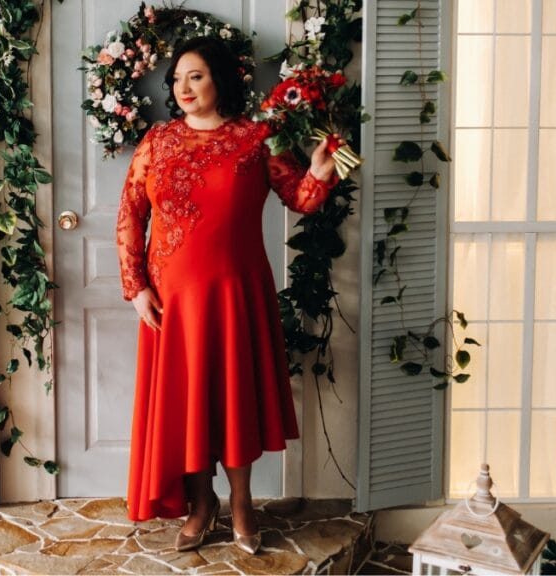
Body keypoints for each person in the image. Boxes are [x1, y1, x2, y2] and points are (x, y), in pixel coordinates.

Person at [115, 35, 341, 554]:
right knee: (186, 405)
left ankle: (242, 503)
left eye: (195, 76)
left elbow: (300, 198)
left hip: (237, 295)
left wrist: (320, 170)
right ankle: (201, 504)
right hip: (171, 302)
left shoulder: (258, 138)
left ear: (220, 79)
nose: (184, 87)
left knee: (235, 402)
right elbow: (130, 213)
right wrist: (136, 287)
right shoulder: (157, 140)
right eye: (177, 78)